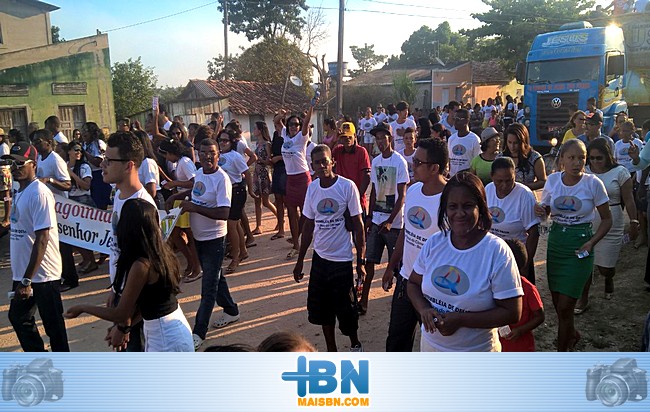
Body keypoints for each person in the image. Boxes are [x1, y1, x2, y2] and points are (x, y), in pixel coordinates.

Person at [407, 172, 523, 352]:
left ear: (481, 207)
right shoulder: (434, 242)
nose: (459, 213)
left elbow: (512, 312)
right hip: (431, 348)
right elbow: (413, 283)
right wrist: (424, 310)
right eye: (452, 206)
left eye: (468, 206)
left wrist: (461, 320)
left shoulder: (497, 252)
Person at [65, 199, 194, 352]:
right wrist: (123, 329)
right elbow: (148, 305)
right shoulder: (161, 253)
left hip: (165, 336)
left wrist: (82, 308)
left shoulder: (142, 265)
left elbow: (120, 314)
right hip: (167, 329)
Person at [535, 139, 612, 351]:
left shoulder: (593, 183)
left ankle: (563, 353)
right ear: (561, 160)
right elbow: (547, 208)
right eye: (571, 158)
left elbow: (607, 219)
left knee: (566, 306)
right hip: (557, 243)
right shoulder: (553, 181)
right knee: (559, 306)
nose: (577, 163)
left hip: (581, 245)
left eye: (581, 158)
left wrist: (591, 242)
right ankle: (572, 335)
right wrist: (542, 210)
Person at [292, 144, 366, 352]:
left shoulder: (347, 187)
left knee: (346, 309)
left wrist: (360, 261)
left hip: (341, 260)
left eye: (325, 161)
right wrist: (300, 261)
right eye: (317, 162)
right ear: (312, 166)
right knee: (323, 311)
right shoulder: (312, 189)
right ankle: (331, 350)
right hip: (320, 259)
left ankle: (355, 344)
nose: (322, 165)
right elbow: (308, 225)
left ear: (332, 161)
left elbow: (358, 227)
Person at [170, 138, 240, 350]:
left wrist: (193, 208)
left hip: (214, 240)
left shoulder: (222, 179)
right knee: (216, 278)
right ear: (197, 154)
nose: (207, 156)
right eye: (203, 152)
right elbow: (196, 191)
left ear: (218, 155)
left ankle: (199, 332)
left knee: (208, 287)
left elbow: (224, 213)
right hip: (199, 239)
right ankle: (231, 310)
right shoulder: (200, 173)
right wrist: (177, 195)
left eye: (212, 153)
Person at [382, 138, 448, 351]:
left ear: (434, 168)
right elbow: (406, 231)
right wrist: (392, 266)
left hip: (433, 288)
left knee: (436, 345)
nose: (413, 164)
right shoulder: (413, 191)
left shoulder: (450, 201)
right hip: (406, 280)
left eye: (419, 162)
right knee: (396, 343)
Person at [3, 141, 70, 352]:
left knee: (54, 327)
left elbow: (43, 238)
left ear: (34, 164)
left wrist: (26, 280)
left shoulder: (39, 193)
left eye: (20, 163)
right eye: (12, 164)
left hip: (42, 276)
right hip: (24, 274)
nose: (15, 168)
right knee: (18, 317)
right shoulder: (19, 190)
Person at [102, 131, 157, 352]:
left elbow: (147, 269)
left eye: (109, 160)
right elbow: (119, 250)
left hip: (135, 302)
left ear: (128, 165)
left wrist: (125, 324)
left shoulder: (142, 208)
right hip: (122, 292)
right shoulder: (119, 196)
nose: (103, 165)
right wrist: (115, 287)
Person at [577, 139, 638, 309]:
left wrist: (634, 221)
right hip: (587, 221)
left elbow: (629, 200)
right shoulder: (585, 172)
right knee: (585, 262)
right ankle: (584, 298)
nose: (595, 162)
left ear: (608, 156)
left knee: (605, 268)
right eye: (592, 158)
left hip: (612, 221)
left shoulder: (620, 172)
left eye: (599, 158)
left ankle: (609, 277)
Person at [360, 122, 409, 315]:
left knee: (397, 266)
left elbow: (402, 195)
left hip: (394, 224)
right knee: (369, 262)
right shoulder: (377, 161)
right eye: (377, 138)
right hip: (377, 219)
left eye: (383, 138)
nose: (380, 142)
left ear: (390, 138)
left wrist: (390, 220)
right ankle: (363, 300)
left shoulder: (399, 162)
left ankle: (399, 301)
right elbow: (373, 192)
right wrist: (371, 216)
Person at [31, 129, 78, 292]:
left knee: (64, 245)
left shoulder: (55, 159)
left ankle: (71, 279)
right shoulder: (40, 158)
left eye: (38, 141)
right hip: (47, 207)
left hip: (60, 208)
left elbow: (67, 184)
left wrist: (49, 180)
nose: (35, 145)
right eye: (34, 142)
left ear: (48, 142)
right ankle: (59, 276)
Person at [274, 98, 318, 260]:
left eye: (296, 125)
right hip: (290, 179)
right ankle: (296, 244)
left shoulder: (301, 138)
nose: (293, 127)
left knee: (306, 213)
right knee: (291, 212)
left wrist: (311, 106)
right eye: (291, 124)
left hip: (302, 178)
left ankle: (307, 239)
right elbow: (277, 122)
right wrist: (281, 115)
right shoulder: (285, 134)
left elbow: (306, 122)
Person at [485, 157, 540, 284]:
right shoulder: (488, 189)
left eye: (509, 180)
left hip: (517, 256)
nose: (504, 185)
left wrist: (525, 264)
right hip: (493, 254)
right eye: (499, 181)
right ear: (492, 176)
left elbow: (533, 233)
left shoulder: (524, 195)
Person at [216, 129, 258, 273]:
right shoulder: (218, 156)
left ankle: (235, 259)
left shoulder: (235, 156)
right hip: (225, 193)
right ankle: (243, 251)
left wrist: (251, 191)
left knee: (231, 225)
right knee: (236, 224)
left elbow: (246, 173)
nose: (222, 143)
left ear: (232, 142)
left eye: (225, 140)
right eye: (220, 140)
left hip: (237, 191)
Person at [160, 138, 202, 281]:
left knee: (189, 235)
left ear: (170, 153)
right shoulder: (180, 162)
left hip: (187, 198)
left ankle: (196, 266)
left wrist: (176, 183)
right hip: (180, 198)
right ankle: (191, 262)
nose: (166, 159)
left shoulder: (184, 162)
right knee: (176, 233)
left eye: (166, 155)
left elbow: (194, 182)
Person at [499, 239, 545, 352]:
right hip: (498, 344)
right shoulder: (493, 286)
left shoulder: (528, 289)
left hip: (520, 346)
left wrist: (520, 330)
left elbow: (539, 316)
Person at [66, 141, 98, 274]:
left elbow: (86, 185)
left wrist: (71, 174)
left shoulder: (84, 167)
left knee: (84, 233)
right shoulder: (66, 165)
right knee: (75, 235)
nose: (78, 153)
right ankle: (86, 259)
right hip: (71, 200)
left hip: (83, 200)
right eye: (75, 150)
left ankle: (91, 261)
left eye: (80, 150)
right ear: (69, 152)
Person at [331, 122, 371, 216]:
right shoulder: (338, 150)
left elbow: (366, 177)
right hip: (341, 200)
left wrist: (356, 197)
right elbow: (326, 157)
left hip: (358, 200)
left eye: (350, 136)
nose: (347, 139)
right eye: (344, 137)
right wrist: (334, 140)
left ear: (354, 136)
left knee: (359, 228)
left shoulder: (361, 151)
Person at [251, 121, 278, 235]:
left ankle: (279, 217)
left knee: (265, 201)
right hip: (257, 173)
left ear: (260, 130)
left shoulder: (267, 144)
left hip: (264, 173)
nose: (254, 131)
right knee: (257, 200)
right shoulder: (258, 143)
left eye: (255, 128)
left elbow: (269, 161)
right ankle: (258, 225)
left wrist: (260, 160)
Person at [502, 123, 547, 190]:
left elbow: (543, 181)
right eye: (509, 142)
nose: (512, 146)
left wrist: (523, 187)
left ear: (523, 142)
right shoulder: (501, 158)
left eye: (516, 143)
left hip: (526, 196)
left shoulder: (534, 157)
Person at [80, 122, 111, 210]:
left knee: (99, 206)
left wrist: (84, 153)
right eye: (82, 130)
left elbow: (98, 162)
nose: (83, 133)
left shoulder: (98, 143)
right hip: (88, 176)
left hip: (99, 177)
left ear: (92, 132)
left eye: (86, 130)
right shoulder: (85, 144)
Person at [447, 108, 481, 177]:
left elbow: (477, 164)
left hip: (467, 179)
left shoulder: (474, 139)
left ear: (466, 121)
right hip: (452, 179)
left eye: (458, 119)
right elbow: (449, 160)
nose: (455, 122)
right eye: (454, 119)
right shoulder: (451, 139)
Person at [270, 119, 287, 240]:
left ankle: (296, 229)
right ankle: (281, 228)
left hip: (286, 169)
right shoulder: (276, 134)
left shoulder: (288, 134)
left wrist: (279, 158)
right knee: (278, 199)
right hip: (276, 169)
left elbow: (293, 152)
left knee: (288, 201)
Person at [0, 127, 11, 227]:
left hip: (4, 172)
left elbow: (7, 160)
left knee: (6, 196)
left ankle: (7, 218)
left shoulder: (4, 147)